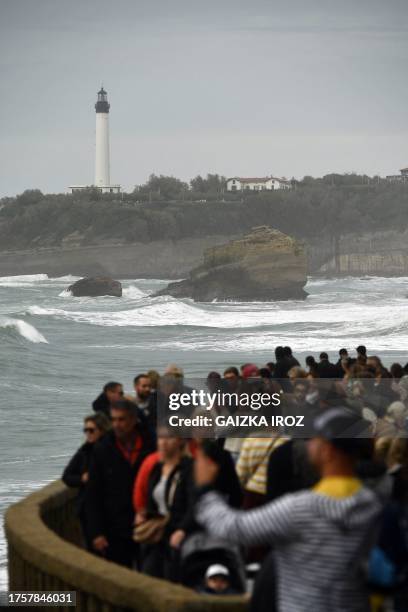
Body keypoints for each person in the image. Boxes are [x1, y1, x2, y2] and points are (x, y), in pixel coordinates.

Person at [195, 408, 387, 612]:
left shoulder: (302, 508)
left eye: (315, 439)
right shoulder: (375, 506)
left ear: (327, 450)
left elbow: (234, 528)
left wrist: (205, 488)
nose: (309, 444)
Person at [84, 399, 155, 567]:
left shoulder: (150, 444)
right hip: (114, 528)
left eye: (121, 419)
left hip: (147, 523)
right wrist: (96, 533)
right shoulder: (103, 448)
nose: (116, 424)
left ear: (133, 419)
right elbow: (93, 493)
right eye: (113, 419)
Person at [133, 430, 192, 579]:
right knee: (149, 577)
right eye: (160, 438)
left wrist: (182, 530)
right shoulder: (156, 468)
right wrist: (143, 514)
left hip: (178, 536)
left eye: (169, 437)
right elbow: (148, 499)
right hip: (156, 534)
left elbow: (195, 505)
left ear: (181, 440)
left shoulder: (190, 469)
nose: (163, 442)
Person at [62, 413, 111, 548]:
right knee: (91, 547)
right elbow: (67, 476)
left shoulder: (112, 450)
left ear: (102, 430)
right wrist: (82, 479)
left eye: (91, 430)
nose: (88, 434)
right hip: (86, 509)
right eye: (86, 430)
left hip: (108, 510)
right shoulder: (84, 451)